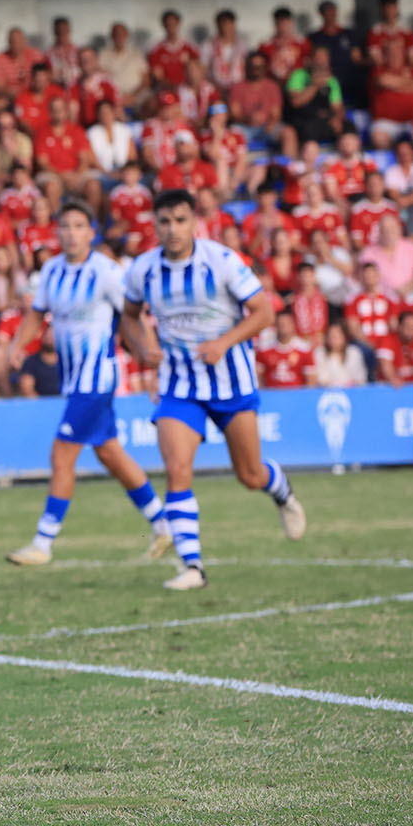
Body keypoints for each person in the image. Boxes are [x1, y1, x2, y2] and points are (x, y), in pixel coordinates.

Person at [119, 190, 307, 592]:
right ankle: (193, 567)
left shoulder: (221, 261)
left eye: (181, 220)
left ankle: (282, 491)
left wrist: (224, 342)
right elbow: (129, 317)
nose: (173, 229)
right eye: (165, 221)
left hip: (230, 381)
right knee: (176, 469)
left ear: (194, 223)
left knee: (250, 474)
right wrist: (141, 348)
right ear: (155, 223)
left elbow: (264, 311)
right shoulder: (142, 270)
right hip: (178, 385)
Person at [2, 202, 173, 567]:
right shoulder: (51, 270)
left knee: (62, 453)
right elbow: (37, 313)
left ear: (90, 233)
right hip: (72, 378)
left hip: (97, 379)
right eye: (64, 226)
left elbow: (133, 316)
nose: (70, 233)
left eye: (78, 226)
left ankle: (43, 542)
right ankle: (162, 523)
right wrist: (18, 344)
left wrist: (148, 352)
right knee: (109, 453)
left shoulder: (107, 272)